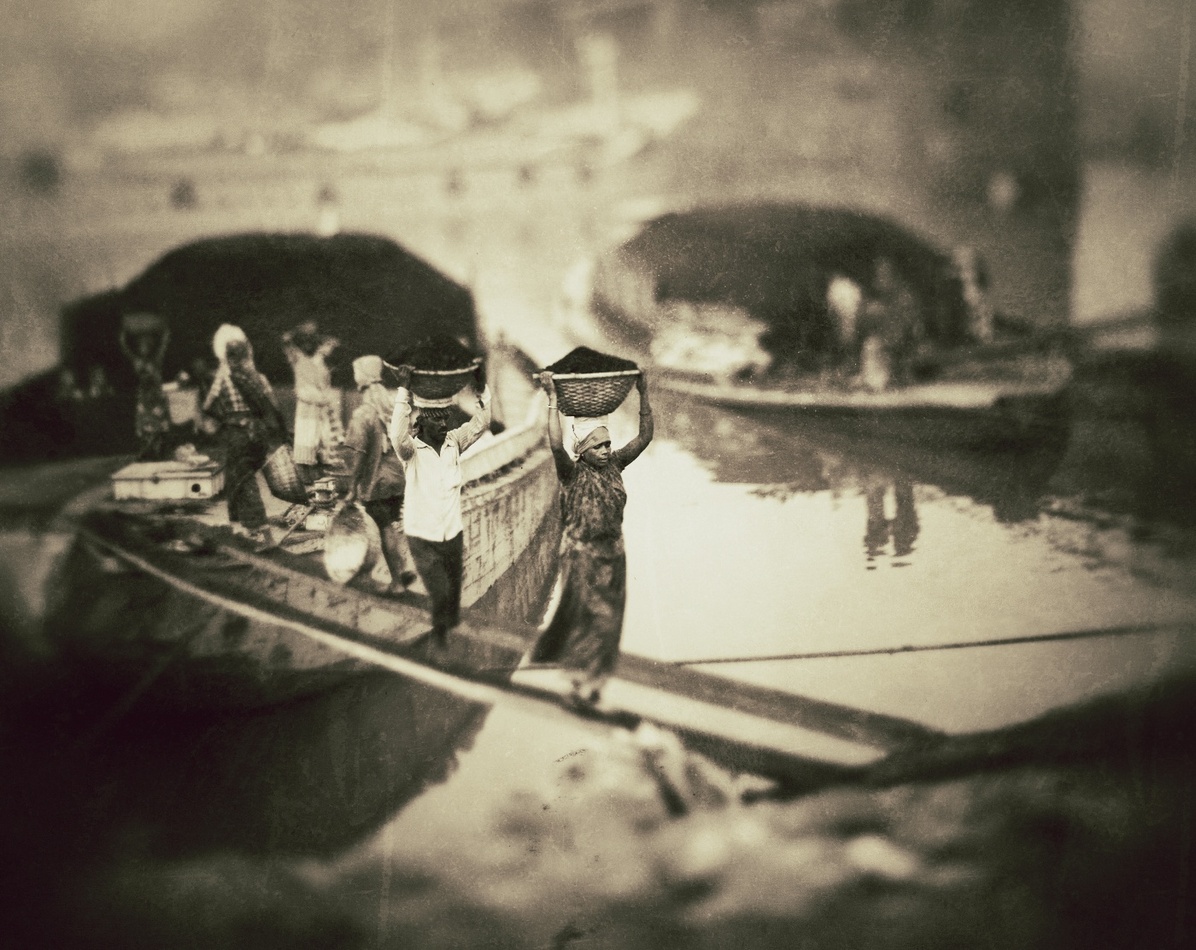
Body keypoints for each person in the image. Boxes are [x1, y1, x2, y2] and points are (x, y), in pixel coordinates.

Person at [530, 370, 654, 705]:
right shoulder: (571, 472)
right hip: (581, 554)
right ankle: (575, 683)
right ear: (582, 449)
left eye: (607, 444)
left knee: (608, 623)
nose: (604, 450)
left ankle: (594, 682)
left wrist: (643, 393)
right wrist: (553, 398)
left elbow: (644, 438)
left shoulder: (615, 465)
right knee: (588, 617)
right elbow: (554, 443)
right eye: (597, 445)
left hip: (613, 555)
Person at [388, 361, 491, 643]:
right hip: (423, 534)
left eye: (446, 417)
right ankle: (438, 641)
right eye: (437, 418)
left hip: (451, 532)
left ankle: (446, 634)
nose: (444, 422)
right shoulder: (411, 450)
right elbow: (396, 435)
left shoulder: (454, 443)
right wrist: (404, 390)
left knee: (454, 599)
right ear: (422, 422)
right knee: (441, 592)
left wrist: (481, 388)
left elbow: (482, 423)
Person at [202, 324, 289, 541]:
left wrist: (226, 417)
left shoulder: (224, 378)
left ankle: (259, 528)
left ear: (227, 356)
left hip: (237, 433)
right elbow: (274, 407)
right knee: (242, 473)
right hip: (259, 434)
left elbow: (208, 406)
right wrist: (281, 432)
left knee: (243, 477)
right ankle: (239, 519)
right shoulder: (258, 377)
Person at [343, 355, 417, 596]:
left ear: (360, 380)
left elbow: (357, 455)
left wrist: (353, 486)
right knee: (392, 524)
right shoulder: (391, 408)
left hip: (377, 481)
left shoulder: (362, 414)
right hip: (398, 477)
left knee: (385, 528)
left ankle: (397, 580)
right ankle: (402, 569)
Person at [282, 321, 343, 483]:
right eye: (327, 345)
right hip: (308, 406)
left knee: (320, 438)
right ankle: (305, 476)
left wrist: (325, 399)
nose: (330, 349)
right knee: (307, 437)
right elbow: (288, 345)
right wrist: (294, 335)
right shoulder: (301, 360)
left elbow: (324, 385)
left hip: (319, 406)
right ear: (320, 345)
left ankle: (318, 474)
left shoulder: (321, 363)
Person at [119, 319, 171, 460]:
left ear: (149, 346)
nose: (143, 348)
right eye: (141, 345)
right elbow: (126, 350)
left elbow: (163, 346)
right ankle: (147, 451)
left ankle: (159, 451)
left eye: (146, 345)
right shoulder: (137, 361)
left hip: (156, 396)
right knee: (145, 426)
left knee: (158, 425)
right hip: (144, 396)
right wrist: (123, 337)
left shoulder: (156, 360)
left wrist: (165, 333)